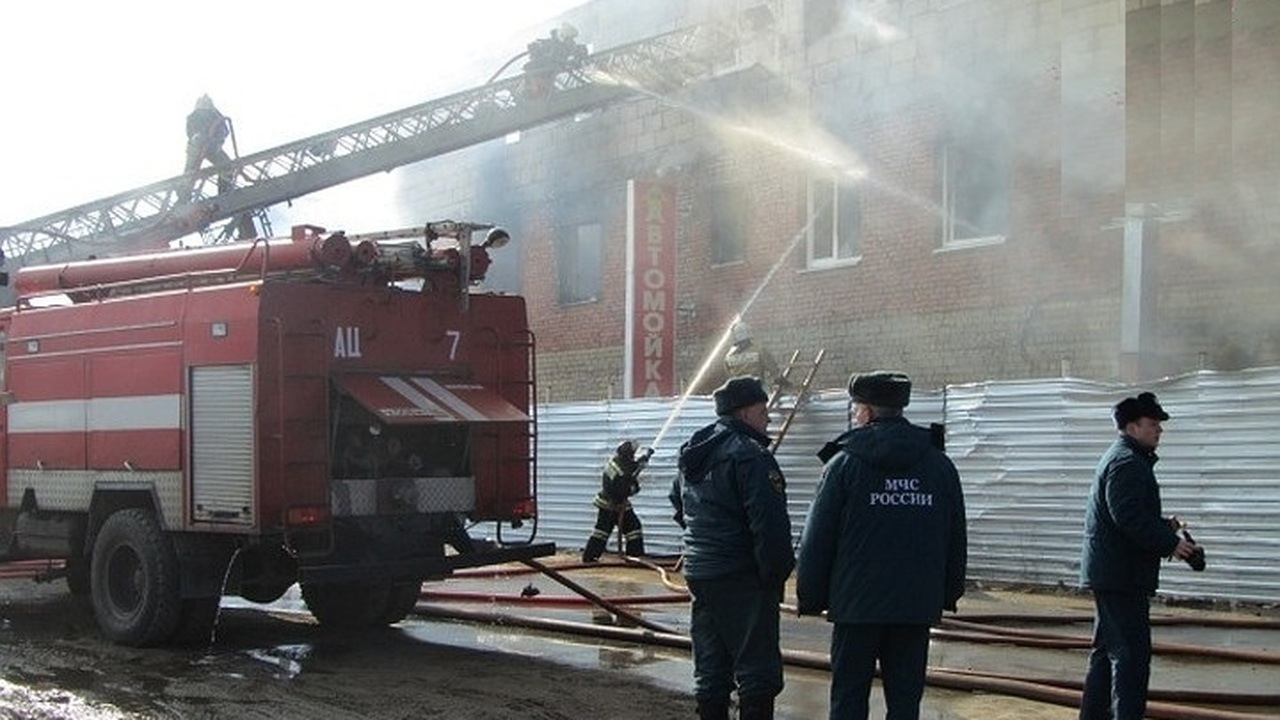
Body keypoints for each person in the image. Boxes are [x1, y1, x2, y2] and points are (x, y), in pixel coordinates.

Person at [796, 371, 967, 720]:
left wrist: (810, 596)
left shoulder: (843, 466)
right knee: (905, 702)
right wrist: (947, 593)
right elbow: (955, 537)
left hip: (856, 608)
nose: (855, 414)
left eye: (856, 408)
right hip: (915, 607)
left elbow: (818, 538)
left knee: (848, 699)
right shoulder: (939, 466)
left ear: (867, 412)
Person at [668, 376, 795, 720]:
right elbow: (768, 524)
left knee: (711, 668)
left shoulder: (694, 450)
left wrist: (704, 545)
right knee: (758, 673)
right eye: (763, 409)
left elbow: (678, 503)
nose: (767, 417)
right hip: (742, 576)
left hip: (701, 572)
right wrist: (774, 575)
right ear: (746, 412)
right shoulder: (750, 456)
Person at [1078, 391, 1201, 720]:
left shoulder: (1124, 458)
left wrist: (1164, 526)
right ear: (1131, 427)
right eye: (1152, 424)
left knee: (1106, 655)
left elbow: (1126, 515)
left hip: (1114, 573)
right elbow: (1127, 516)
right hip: (1123, 577)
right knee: (1131, 660)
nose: (1159, 429)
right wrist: (1171, 543)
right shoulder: (1128, 463)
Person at [582, 440, 649, 562]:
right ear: (628, 454)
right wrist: (639, 469)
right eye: (633, 454)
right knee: (602, 532)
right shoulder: (619, 468)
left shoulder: (620, 462)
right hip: (610, 505)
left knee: (633, 528)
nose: (634, 456)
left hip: (620, 504)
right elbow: (625, 484)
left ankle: (635, 556)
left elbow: (631, 470)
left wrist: (643, 460)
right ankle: (590, 557)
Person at [184, 94, 233, 193]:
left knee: (226, 165)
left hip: (212, 146)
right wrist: (198, 138)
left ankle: (224, 191)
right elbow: (190, 132)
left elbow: (224, 130)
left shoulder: (216, 116)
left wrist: (216, 141)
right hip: (196, 147)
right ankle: (183, 195)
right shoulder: (194, 116)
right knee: (189, 174)